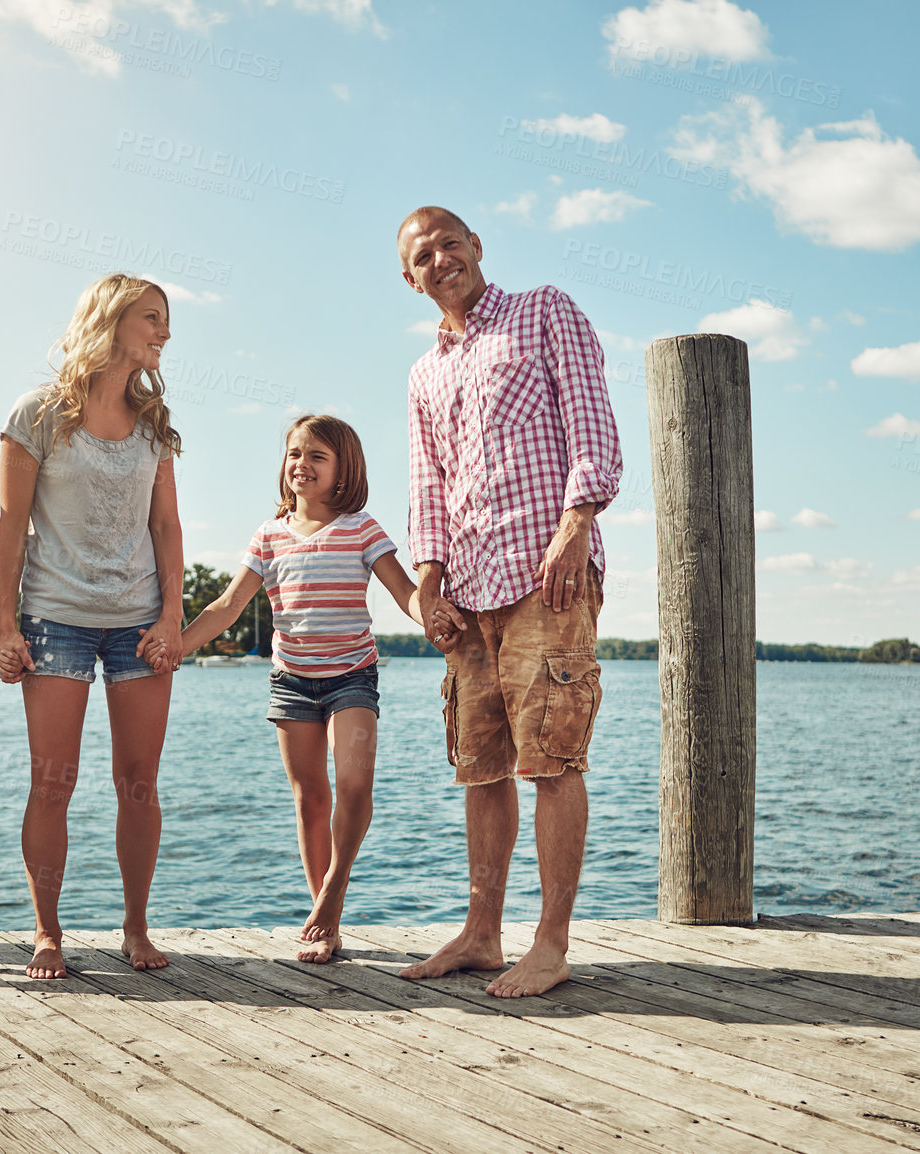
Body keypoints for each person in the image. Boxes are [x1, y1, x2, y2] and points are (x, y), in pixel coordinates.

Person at [396, 205, 622, 998]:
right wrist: (427, 581)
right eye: (424, 256)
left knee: (552, 757)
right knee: (481, 769)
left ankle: (551, 945)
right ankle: (482, 933)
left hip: (545, 576)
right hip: (465, 589)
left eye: (450, 244)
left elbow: (593, 424)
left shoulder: (544, 310)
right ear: (410, 277)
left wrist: (577, 525)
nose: (441, 260)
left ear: (477, 247)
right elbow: (427, 483)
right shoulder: (424, 373)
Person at [177, 414, 450, 962]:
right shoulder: (269, 534)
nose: (301, 464)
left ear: (343, 469)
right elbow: (228, 606)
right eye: (294, 454)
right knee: (310, 798)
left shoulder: (361, 527)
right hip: (292, 682)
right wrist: (177, 647)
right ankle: (325, 925)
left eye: (316, 457)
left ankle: (333, 892)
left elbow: (404, 593)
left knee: (353, 784)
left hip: (352, 674)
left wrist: (434, 615)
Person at [0, 273, 184, 979]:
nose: (164, 332)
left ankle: (136, 928)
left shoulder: (155, 424)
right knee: (53, 781)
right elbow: (12, 526)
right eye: (153, 318)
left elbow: (166, 527)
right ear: (112, 320)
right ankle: (49, 931)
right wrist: (5, 624)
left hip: (139, 624)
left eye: (165, 321)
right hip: (55, 620)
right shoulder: (39, 413)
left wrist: (171, 616)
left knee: (139, 781)